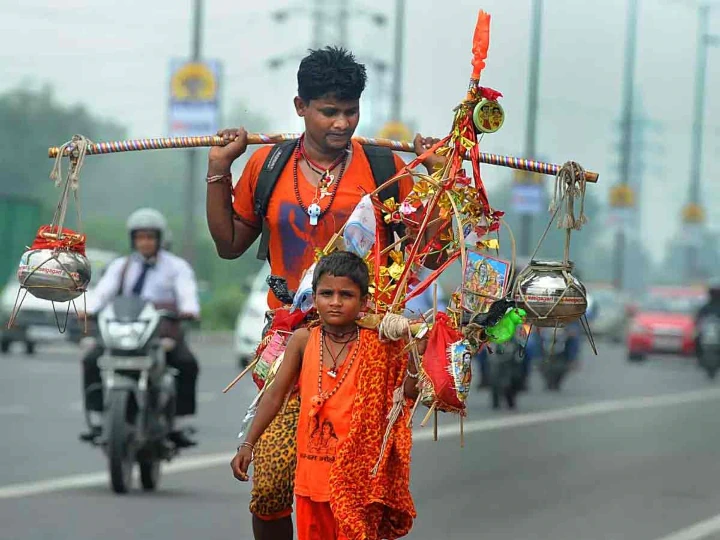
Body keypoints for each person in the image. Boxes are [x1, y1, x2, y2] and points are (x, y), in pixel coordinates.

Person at [205, 46, 443, 539]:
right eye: (328, 111)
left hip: (366, 346)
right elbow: (229, 244)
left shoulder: (383, 169)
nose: (341, 123)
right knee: (270, 485)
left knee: (355, 488)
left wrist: (438, 178)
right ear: (300, 107)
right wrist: (218, 168)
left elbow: (430, 253)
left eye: (351, 111)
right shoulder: (267, 166)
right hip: (287, 343)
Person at [232, 251, 417, 540]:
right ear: (314, 298)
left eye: (346, 295)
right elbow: (274, 395)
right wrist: (248, 443)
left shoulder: (379, 344)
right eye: (326, 293)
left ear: (363, 301)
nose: (335, 302)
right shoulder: (303, 340)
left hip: (356, 481)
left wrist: (417, 353)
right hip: (310, 481)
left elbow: (406, 393)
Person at [79, 208, 201, 448]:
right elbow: (103, 292)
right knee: (91, 359)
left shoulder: (176, 267)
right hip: (125, 330)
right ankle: (97, 418)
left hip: (162, 330)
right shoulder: (121, 266)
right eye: (140, 237)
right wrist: (88, 310)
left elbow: (187, 293)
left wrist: (189, 310)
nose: (144, 242)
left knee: (187, 363)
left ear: (160, 239)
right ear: (132, 239)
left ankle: (178, 423)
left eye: (150, 237)